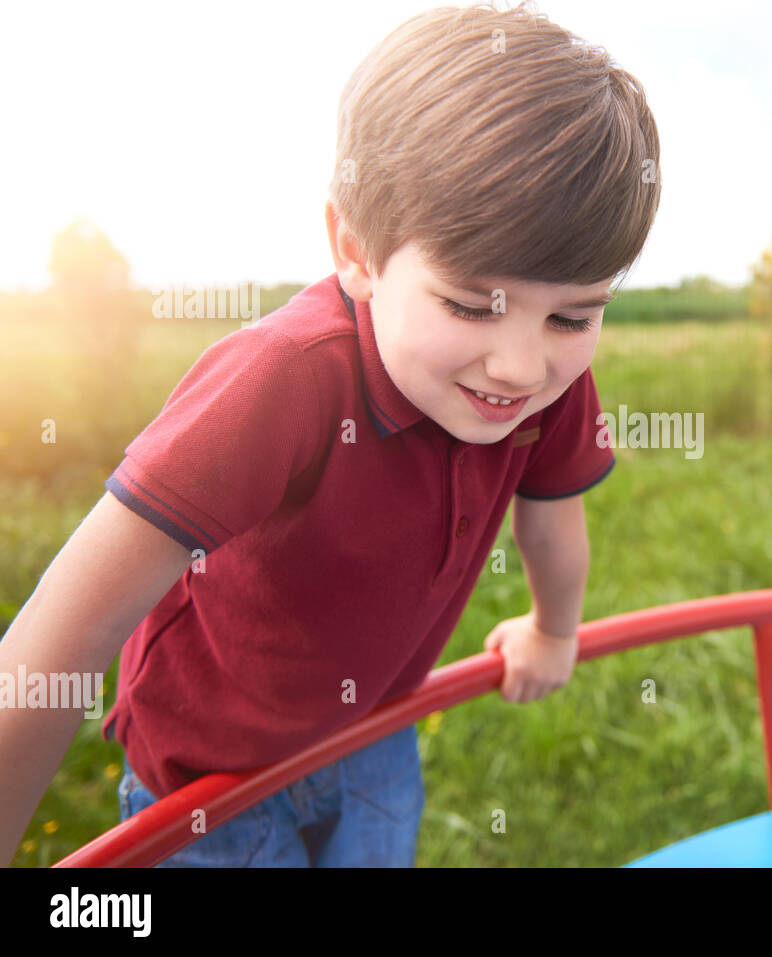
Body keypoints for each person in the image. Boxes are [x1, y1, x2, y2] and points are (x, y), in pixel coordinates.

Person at [0, 1, 661, 866]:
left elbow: (551, 517)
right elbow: (65, 631)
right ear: (356, 249)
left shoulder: (546, 386)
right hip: (209, 781)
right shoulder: (280, 380)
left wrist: (553, 628)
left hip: (376, 734)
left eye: (574, 315)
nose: (520, 365)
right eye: (470, 303)